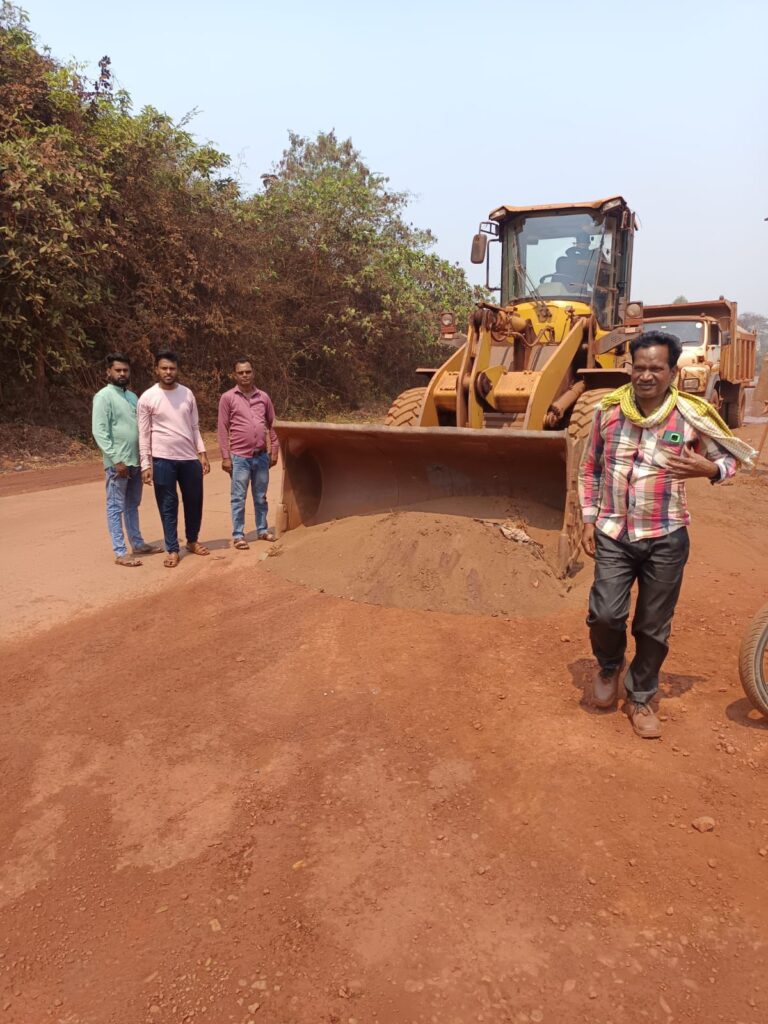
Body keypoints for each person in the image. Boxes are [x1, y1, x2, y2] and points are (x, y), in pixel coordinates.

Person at [578, 330, 756, 739]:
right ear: (630, 368)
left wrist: (709, 469)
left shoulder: (691, 415)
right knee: (605, 614)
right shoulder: (607, 411)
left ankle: (640, 695)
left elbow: (732, 459)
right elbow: (590, 468)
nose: (646, 375)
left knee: (653, 624)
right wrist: (588, 519)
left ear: (672, 372)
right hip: (613, 531)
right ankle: (609, 666)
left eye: (656, 368)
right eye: (639, 367)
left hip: (666, 535)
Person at [137, 350, 210, 568]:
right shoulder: (148, 397)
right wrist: (145, 465)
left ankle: (192, 540)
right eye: (164, 368)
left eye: (172, 368)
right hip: (163, 460)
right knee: (168, 505)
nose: (168, 372)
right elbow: (143, 434)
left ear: (177, 370)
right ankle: (172, 549)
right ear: (156, 370)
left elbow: (195, 426)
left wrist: (202, 453)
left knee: (194, 501)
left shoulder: (187, 394)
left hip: (189, 459)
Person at [92, 352, 159, 567]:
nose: (122, 374)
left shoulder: (132, 397)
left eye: (125, 370)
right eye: (118, 370)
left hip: (135, 461)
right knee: (115, 507)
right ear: (108, 372)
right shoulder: (103, 396)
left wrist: (145, 459)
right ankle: (120, 552)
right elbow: (99, 431)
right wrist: (115, 460)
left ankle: (137, 543)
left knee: (132, 504)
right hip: (117, 464)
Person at [217, 357, 279, 549]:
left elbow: (273, 424)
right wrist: (225, 457)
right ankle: (238, 535)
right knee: (238, 497)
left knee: (260, 496)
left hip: (261, 456)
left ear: (253, 373)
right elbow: (222, 428)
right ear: (234, 375)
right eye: (241, 372)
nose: (245, 375)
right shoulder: (228, 398)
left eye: (248, 372)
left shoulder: (263, 397)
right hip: (239, 458)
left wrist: (274, 450)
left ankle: (262, 529)